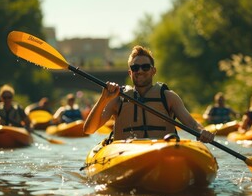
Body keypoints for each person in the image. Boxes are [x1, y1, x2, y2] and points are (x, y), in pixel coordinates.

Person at [83, 45, 214, 143]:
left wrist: (201, 131)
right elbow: (89, 129)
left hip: (163, 152)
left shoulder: (168, 97)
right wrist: (103, 99)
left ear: (153, 71)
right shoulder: (118, 99)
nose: (140, 71)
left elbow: (191, 124)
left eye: (145, 67)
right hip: (126, 154)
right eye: (135, 68)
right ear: (130, 73)